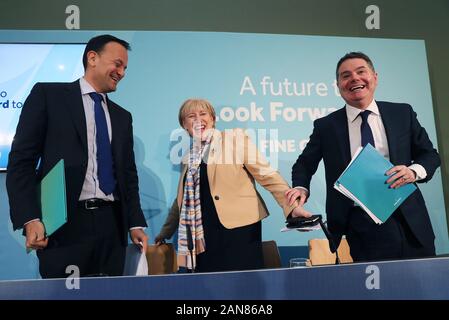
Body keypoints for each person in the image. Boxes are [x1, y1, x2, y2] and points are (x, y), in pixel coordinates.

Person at [6, 34, 148, 278]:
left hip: (112, 227)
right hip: (64, 227)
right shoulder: (48, 96)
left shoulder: (123, 117)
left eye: (125, 67)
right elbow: (21, 162)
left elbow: (127, 174)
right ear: (92, 58)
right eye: (117, 64)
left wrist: (134, 222)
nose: (121, 72)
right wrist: (30, 218)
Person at [286, 52, 440, 262]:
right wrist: (301, 189)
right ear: (339, 85)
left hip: (409, 220)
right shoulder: (326, 126)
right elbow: (304, 164)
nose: (354, 79)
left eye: (361, 72)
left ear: (375, 77)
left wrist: (413, 171)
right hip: (360, 224)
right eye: (346, 75)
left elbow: (430, 155)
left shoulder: (402, 113)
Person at [155, 98, 309, 272]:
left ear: (213, 119)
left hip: (239, 231)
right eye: (191, 116)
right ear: (185, 125)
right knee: (209, 287)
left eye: (203, 114)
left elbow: (267, 175)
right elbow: (182, 200)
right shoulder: (188, 158)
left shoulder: (233, 139)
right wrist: (166, 232)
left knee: (242, 286)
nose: (198, 119)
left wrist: (292, 207)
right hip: (202, 236)